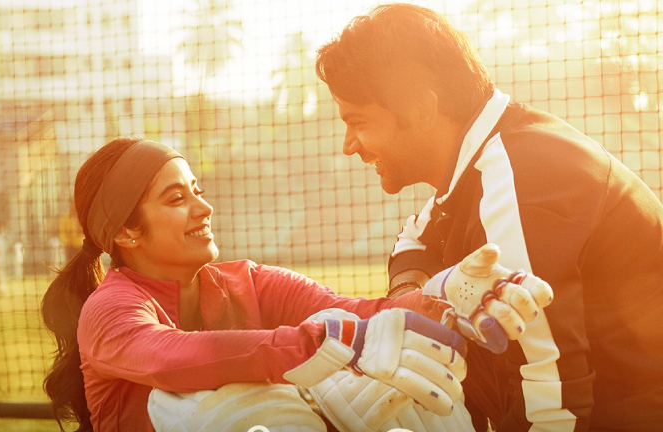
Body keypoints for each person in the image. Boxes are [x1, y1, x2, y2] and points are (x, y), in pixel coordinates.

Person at [40, 137, 549, 432]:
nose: (204, 207)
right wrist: (326, 345)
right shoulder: (110, 309)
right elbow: (174, 358)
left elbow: (353, 311)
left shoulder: (249, 282)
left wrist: (445, 292)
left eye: (198, 190)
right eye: (176, 199)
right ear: (126, 231)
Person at [315, 4, 663, 432]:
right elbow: (414, 240)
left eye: (358, 121)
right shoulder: (487, 157)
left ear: (423, 109)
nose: (350, 144)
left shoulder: (516, 178)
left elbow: (555, 405)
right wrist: (410, 301)